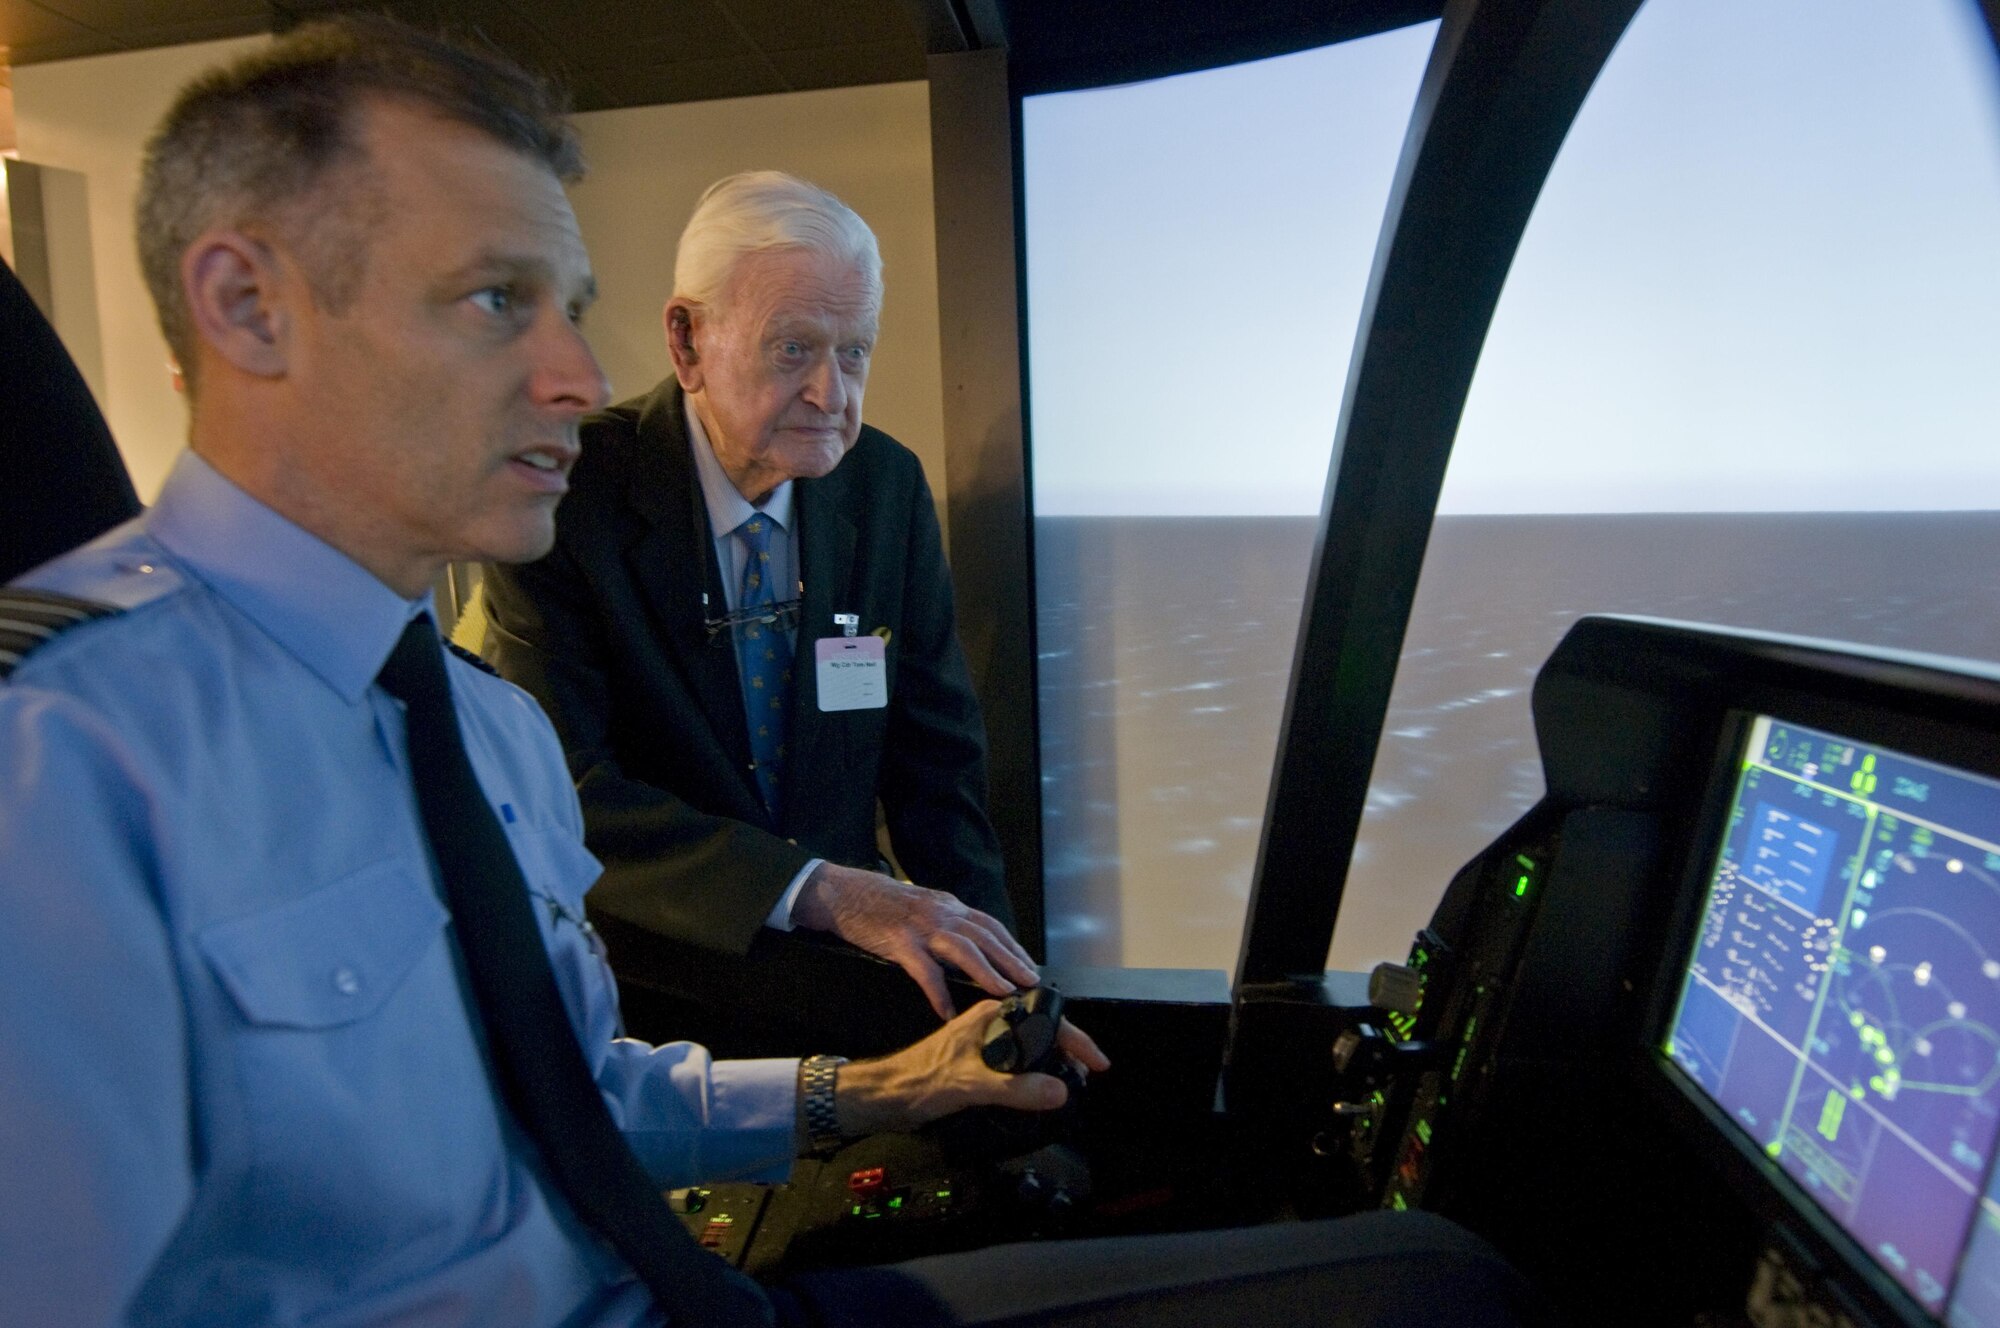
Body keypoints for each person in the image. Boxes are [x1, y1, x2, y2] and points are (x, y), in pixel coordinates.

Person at [0, 20, 1541, 1327]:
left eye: (567, 310)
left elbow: (588, 1094)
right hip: (675, 1098)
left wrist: (890, 1085)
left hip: (665, 1271)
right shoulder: (62, 749)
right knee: (1432, 1285)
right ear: (246, 304)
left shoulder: (483, 736)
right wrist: (828, 906)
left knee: (1380, 1255)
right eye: (494, 301)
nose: (567, 378)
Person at [480, 172, 1031, 1026]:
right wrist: (811, 889)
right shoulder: (570, 495)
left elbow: (937, 767)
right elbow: (562, 785)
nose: (830, 395)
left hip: (844, 973)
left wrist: (1003, 987)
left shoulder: (884, 487)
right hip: (645, 987)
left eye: (854, 352)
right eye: (792, 349)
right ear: (687, 342)